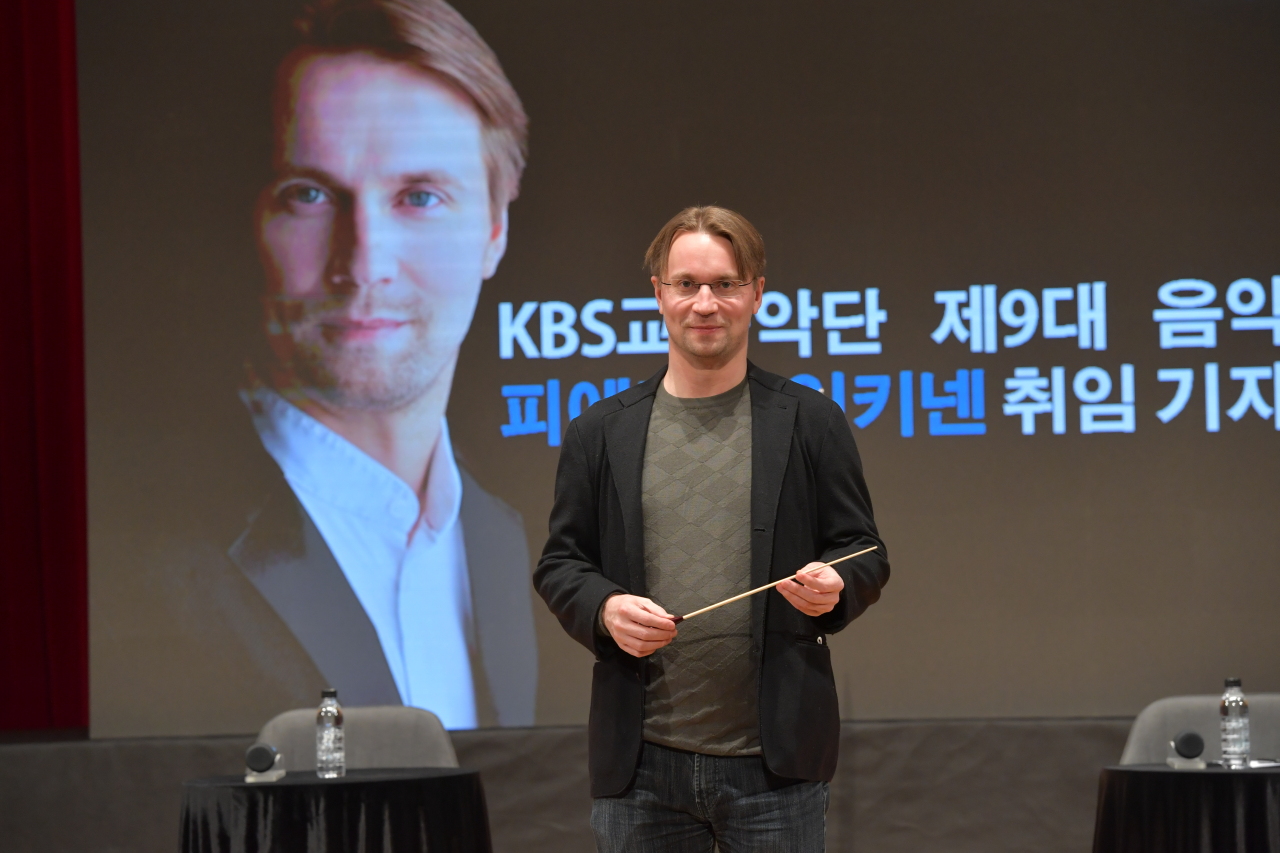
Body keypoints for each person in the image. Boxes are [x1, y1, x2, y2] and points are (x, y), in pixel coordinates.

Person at [95, 0, 536, 735]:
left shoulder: (511, 542)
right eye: (310, 194)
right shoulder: (143, 557)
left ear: (494, 231)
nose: (363, 262)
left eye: (420, 196)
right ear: (251, 220)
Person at [535, 205, 890, 851]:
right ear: (659, 294)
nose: (706, 302)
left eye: (725, 283)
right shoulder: (601, 431)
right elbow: (561, 562)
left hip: (774, 766)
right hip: (640, 766)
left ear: (756, 293)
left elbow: (865, 549)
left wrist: (837, 581)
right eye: (687, 283)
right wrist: (606, 606)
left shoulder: (810, 420)